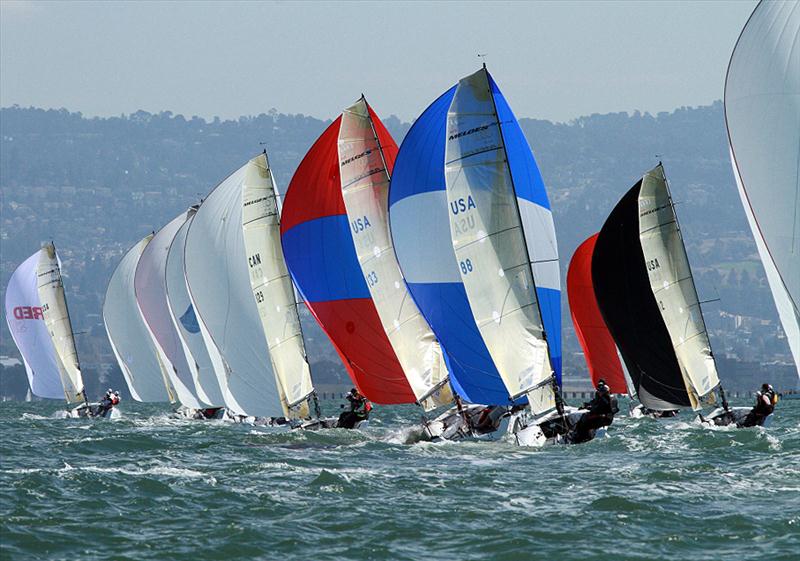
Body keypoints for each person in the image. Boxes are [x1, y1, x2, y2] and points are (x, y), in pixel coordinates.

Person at [569, 379, 619, 443]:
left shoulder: (604, 400)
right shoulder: (612, 398)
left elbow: (597, 409)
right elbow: (613, 410)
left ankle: (579, 438)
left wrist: (589, 408)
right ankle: (585, 435)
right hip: (608, 419)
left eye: (600, 391)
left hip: (603, 419)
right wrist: (589, 406)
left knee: (584, 420)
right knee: (586, 417)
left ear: (603, 392)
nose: (599, 392)